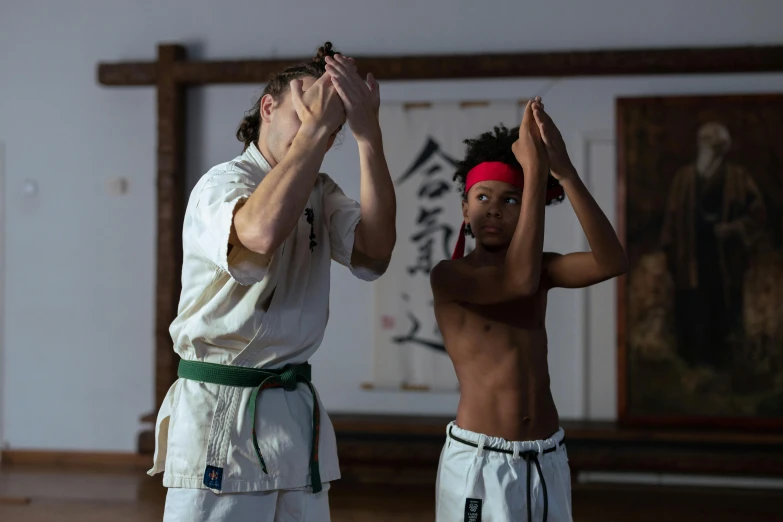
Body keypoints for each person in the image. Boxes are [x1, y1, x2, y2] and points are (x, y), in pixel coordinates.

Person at [148, 42, 396, 522]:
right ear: (268, 107)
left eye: (330, 123)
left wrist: (368, 137)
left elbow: (376, 250)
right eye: (305, 110)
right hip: (223, 410)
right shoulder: (223, 183)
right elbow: (259, 234)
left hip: (294, 414)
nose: (320, 126)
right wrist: (317, 129)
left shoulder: (322, 194)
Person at [430, 98, 627, 522]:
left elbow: (612, 261)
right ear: (465, 208)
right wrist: (534, 173)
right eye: (482, 197)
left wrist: (565, 173)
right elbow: (515, 284)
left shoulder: (544, 269)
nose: (495, 209)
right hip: (481, 461)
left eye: (511, 199)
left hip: (547, 455)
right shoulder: (450, 276)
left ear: (529, 210)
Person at [660, 121, 765, 370]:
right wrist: (670, 252)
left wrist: (734, 228)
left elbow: (757, 214)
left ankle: (725, 369)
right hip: (690, 257)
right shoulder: (684, 178)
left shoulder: (738, 177)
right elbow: (671, 220)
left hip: (725, 260)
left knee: (724, 309)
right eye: (704, 146)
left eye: (713, 147)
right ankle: (692, 368)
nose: (707, 152)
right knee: (692, 308)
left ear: (722, 150)